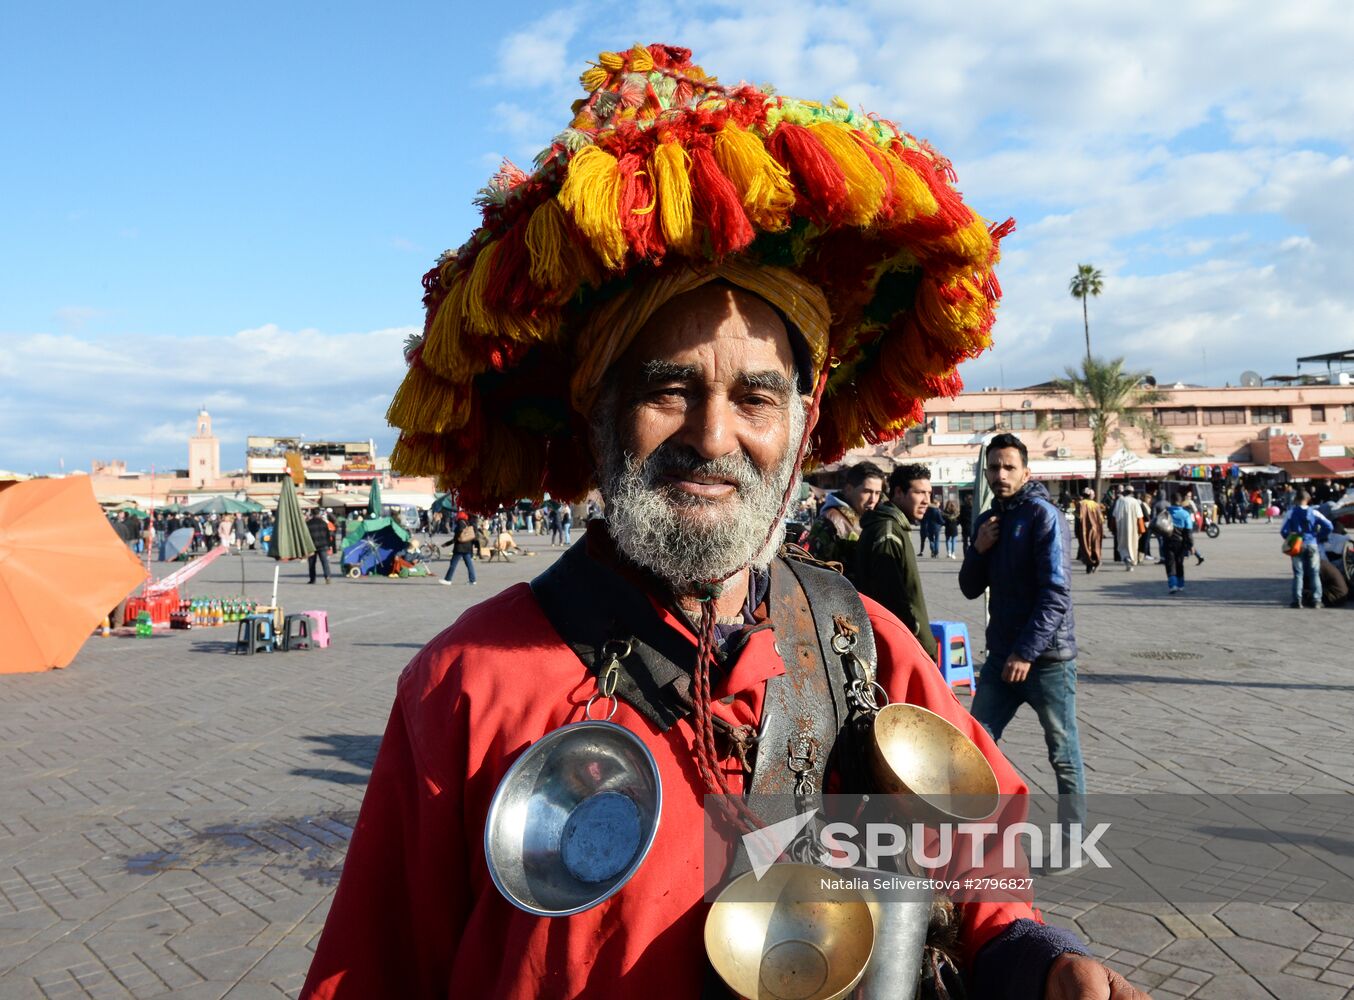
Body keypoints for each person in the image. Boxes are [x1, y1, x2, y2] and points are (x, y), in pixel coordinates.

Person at [304, 43, 1148, 1000]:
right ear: (599, 413)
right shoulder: (466, 688)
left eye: (755, 396)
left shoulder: (865, 647)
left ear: (799, 422)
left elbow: (984, 878)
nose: (713, 436)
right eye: (669, 389)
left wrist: (1035, 963)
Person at [960, 433, 1087, 870]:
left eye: (1009, 467)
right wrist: (979, 550)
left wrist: (1026, 653)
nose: (1000, 475)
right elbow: (969, 587)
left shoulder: (1043, 516)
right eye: (993, 467)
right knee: (973, 745)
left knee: (1063, 753)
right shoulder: (989, 520)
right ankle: (973, 842)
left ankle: (1072, 847)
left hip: (1045, 659)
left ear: (1026, 472)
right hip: (1001, 658)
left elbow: (1056, 593)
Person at [855, 463, 939, 660]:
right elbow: (892, 602)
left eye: (929, 493)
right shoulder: (888, 531)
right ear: (899, 492)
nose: (927, 500)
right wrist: (920, 644)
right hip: (901, 647)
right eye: (920, 493)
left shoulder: (895, 527)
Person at [804, 460, 884, 569]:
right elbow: (815, 570)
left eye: (877, 493)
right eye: (867, 491)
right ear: (848, 489)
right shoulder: (830, 521)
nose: (873, 499)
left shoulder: (867, 518)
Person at [1280, 489, 1332, 609]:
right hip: (1312, 543)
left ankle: (1297, 601)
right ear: (1308, 500)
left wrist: (1290, 538)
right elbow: (1329, 525)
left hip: (1297, 545)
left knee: (1298, 573)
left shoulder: (1291, 512)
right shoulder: (1314, 512)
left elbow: (1283, 530)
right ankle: (1317, 600)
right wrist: (1319, 536)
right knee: (1314, 573)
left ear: (1296, 499)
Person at [1156, 492, 1194, 595]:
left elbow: (1158, 524)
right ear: (1181, 501)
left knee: (1170, 564)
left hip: (1168, 541)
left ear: (1171, 501)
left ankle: (1173, 585)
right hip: (1181, 543)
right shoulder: (1186, 514)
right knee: (1179, 563)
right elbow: (1189, 532)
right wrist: (1191, 545)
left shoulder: (1166, 512)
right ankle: (1181, 585)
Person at [1109, 485, 1145, 570]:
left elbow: (1114, 516)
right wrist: (1141, 529)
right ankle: (1131, 561)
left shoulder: (1119, 501)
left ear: (1125, 492)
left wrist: (1113, 528)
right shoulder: (1135, 502)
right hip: (1133, 529)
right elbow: (1140, 517)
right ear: (1132, 493)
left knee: (1123, 545)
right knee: (1133, 545)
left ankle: (1126, 559)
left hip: (1121, 528)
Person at [440, 511, 480, 586]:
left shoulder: (460, 523)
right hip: (467, 547)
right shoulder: (467, 523)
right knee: (469, 564)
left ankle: (448, 579)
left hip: (460, 547)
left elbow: (457, 537)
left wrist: (447, 544)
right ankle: (472, 580)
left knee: (453, 564)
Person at [1073, 487, 1103, 573]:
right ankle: (1096, 561)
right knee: (1095, 546)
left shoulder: (1080, 504)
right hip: (1096, 530)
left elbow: (1077, 519)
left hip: (1084, 530)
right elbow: (1101, 520)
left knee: (1086, 547)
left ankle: (1089, 565)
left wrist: (1076, 531)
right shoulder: (1096, 505)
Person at [307, 510, 333, 584]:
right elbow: (328, 535)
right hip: (323, 545)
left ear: (312, 514)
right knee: (325, 562)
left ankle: (312, 579)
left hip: (312, 545)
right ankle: (327, 577)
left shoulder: (308, 523)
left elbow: (306, 536)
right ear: (318, 514)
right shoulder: (323, 523)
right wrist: (329, 545)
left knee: (311, 563)